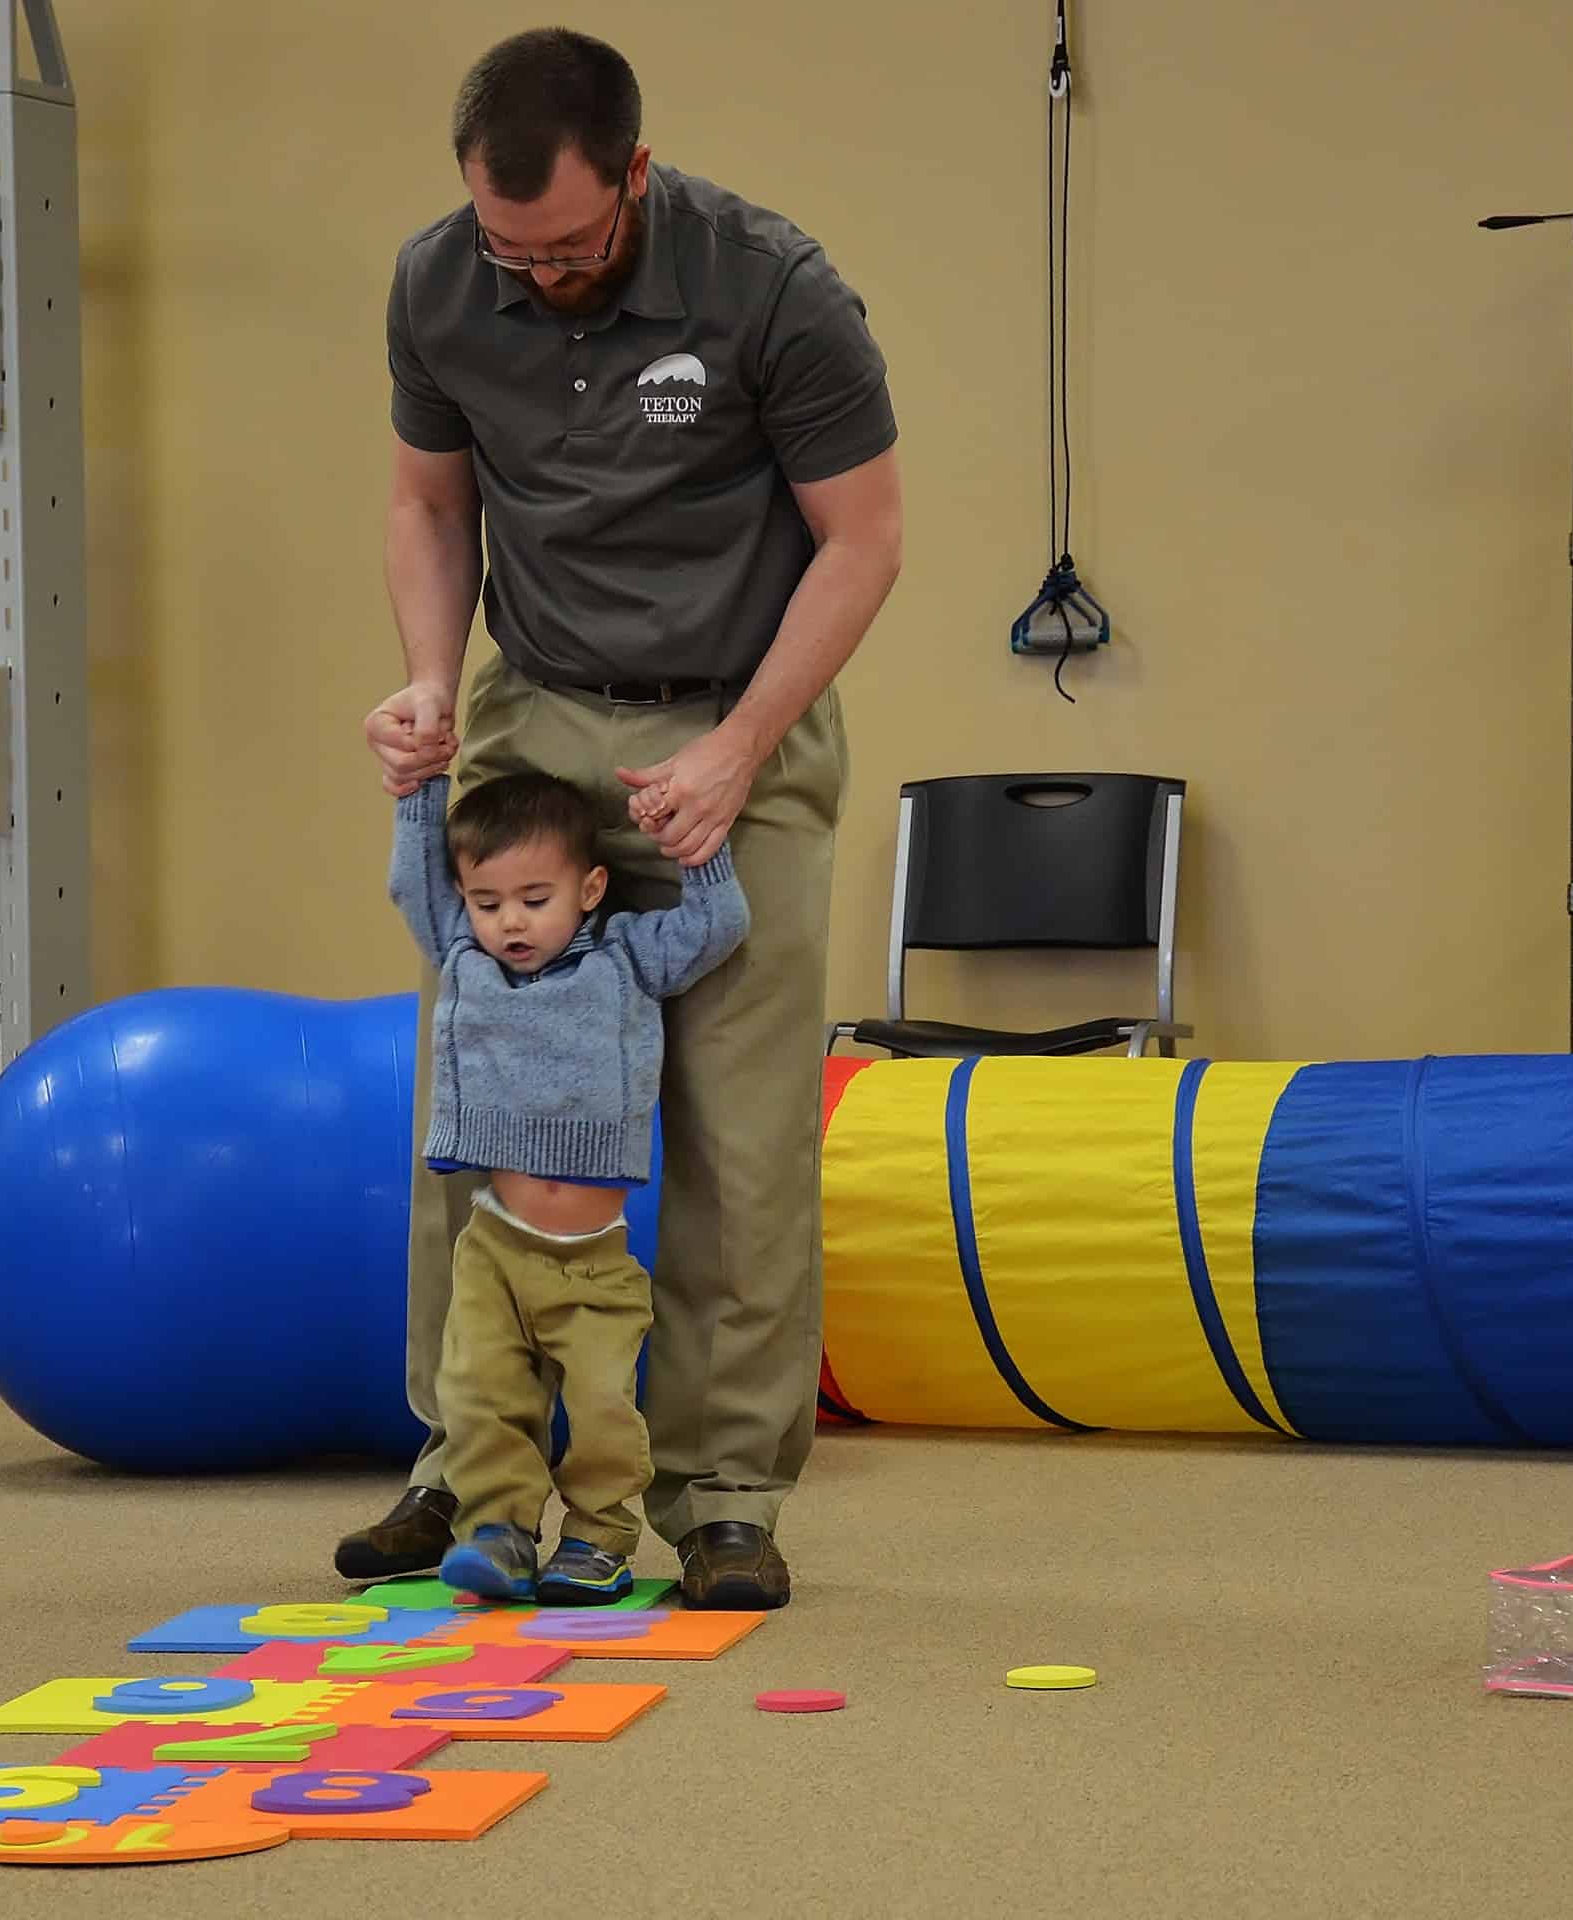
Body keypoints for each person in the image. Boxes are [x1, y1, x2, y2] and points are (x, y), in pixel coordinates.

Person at [336, 26, 903, 1610]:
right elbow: (428, 501)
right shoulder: (440, 282)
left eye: (570, 244)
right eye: (509, 245)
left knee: (737, 1127)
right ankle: (470, 1467)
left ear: (635, 180)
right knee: (487, 1100)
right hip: (544, 703)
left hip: (740, 712)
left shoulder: (774, 285)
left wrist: (740, 749)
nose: (536, 273)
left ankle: (723, 1493)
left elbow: (863, 542)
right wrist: (432, 687)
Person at [389, 768, 748, 1603]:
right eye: (487, 901)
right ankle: (500, 1530)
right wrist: (419, 789)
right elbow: (415, 881)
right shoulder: (461, 955)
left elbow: (718, 924)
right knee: (479, 1396)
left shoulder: (625, 957)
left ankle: (598, 1539)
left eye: (534, 898)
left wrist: (695, 846)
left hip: (592, 1263)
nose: (509, 921)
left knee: (602, 1411)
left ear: (590, 889)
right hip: (495, 1249)